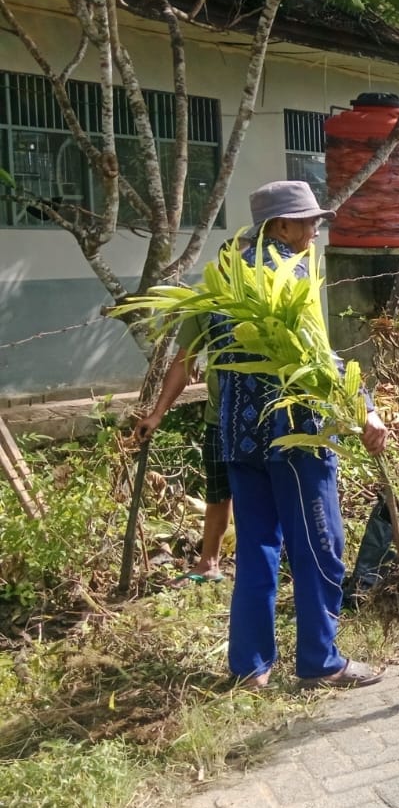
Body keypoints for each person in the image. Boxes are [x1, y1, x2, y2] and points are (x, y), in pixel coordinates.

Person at [218, 181, 387, 689]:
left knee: (257, 549)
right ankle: (320, 661)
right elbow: (317, 357)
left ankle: (250, 667)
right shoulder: (288, 274)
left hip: (239, 436)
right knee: (319, 545)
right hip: (292, 436)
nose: (316, 229)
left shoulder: (230, 275)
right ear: (281, 226)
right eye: (308, 221)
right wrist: (365, 408)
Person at [135, 244, 235, 582]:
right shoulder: (205, 304)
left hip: (263, 421)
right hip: (220, 418)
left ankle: (264, 561)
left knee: (260, 493)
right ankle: (209, 564)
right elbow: (184, 360)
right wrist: (158, 413)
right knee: (219, 492)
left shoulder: (271, 298)